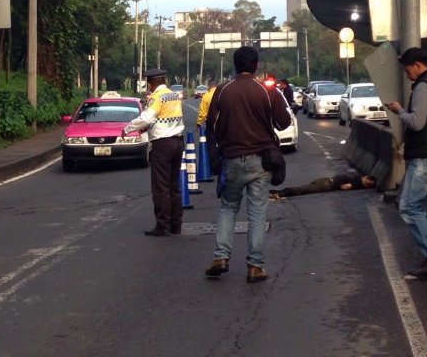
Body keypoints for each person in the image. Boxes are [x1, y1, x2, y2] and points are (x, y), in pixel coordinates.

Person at [204, 46, 292, 283]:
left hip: (231, 159)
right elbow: (284, 123)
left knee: (228, 208)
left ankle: (221, 257)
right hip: (261, 161)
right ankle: (255, 266)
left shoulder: (222, 91)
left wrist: (217, 155)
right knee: (257, 212)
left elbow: (212, 127)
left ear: (235, 65)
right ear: (256, 66)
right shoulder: (267, 91)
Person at [386, 47, 427, 278]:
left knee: (408, 207)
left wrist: (399, 110)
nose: (407, 75)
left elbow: (416, 122)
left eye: (407, 70)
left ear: (418, 65)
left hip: (424, 157)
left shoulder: (424, 86)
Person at [122, 69, 185, 237]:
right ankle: (176, 225)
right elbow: (164, 118)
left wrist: (127, 129)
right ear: (164, 81)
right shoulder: (174, 96)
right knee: (173, 186)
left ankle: (163, 225)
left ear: (149, 84)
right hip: (177, 142)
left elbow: (146, 118)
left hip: (162, 145)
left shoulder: (156, 97)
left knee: (161, 187)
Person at [269, 172, 375, 199]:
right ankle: (280, 193)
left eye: (368, 186)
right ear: (366, 177)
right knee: (303, 190)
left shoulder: (355, 176)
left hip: (326, 181)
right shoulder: (357, 181)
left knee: (303, 188)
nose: (366, 185)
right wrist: (357, 185)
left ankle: (274, 192)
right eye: (368, 183)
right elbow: (345, 187)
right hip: (327, 184)